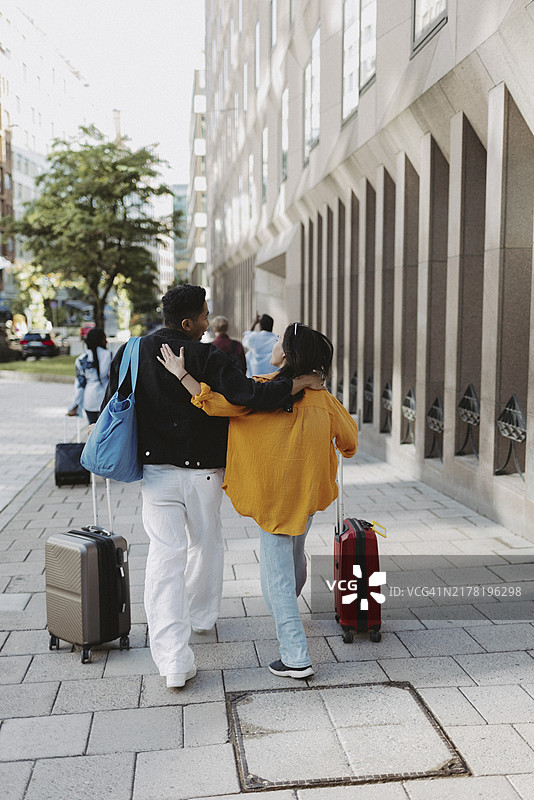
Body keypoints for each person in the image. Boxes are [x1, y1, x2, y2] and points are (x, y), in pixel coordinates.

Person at [102, 285, 323, 689]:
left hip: (156, 475)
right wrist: (300, 382)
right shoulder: (206, 356)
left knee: (164, 559)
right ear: (188, 323)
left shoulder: (131, 351)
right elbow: (251, 396)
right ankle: (200, 617)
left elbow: (112, 404)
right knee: (205, 543)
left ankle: (173, 660)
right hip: (205, 473)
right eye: (203, 316)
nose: (207, 322)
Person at [158, 322, 358, 680]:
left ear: (290, 354)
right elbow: (350, 443)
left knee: (274, 581)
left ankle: (296, 656)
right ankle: (290, 611)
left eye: (279, 340)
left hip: (275, 502)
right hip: (307, 496)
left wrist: (181, 373)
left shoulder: (261, 394)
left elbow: (214, 405)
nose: (273, 343)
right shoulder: (324, 401)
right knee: (293, 560)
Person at [67, 327, 112, 424]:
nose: (107, 342)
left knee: (92, 431)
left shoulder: (80, 359)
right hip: (106, 400)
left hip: (89, 400)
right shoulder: (110, 356)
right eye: (105, 339)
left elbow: (80, 385)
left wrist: (75, 405)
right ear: (101, 340)